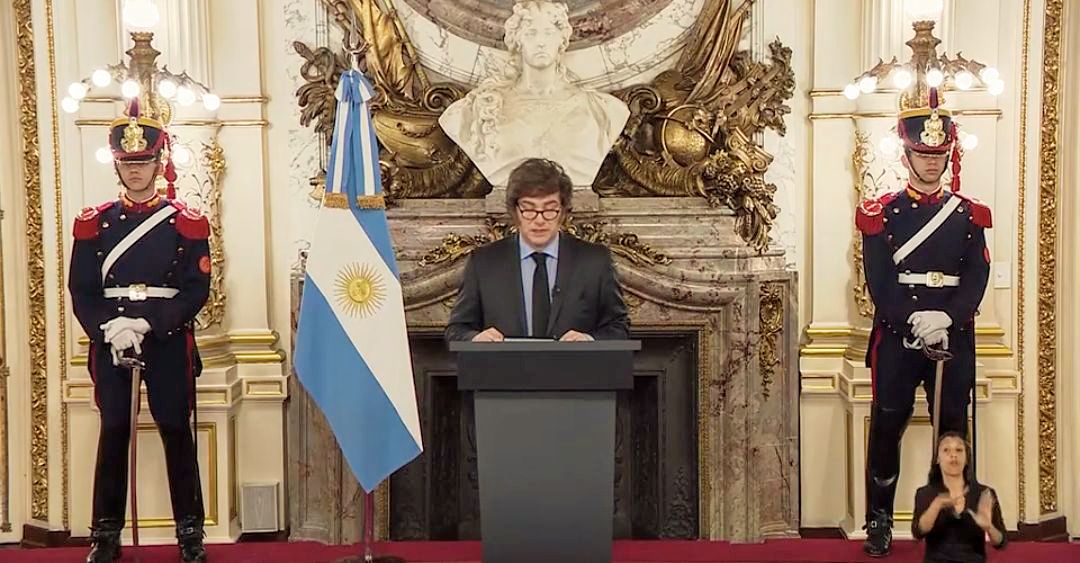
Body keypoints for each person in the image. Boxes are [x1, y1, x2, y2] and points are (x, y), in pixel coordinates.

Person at [69, 98, 211, 563]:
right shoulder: (94, 224)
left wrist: (148, 321)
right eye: (127, 162)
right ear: (117, 164)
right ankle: (104, 534)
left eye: (144, 161)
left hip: (165, 339)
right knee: (114, 430)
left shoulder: (185, 223)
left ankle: (190, 533)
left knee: (175, 428)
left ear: (158, 161)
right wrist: (110, 329)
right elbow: (81, 290)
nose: (135, 170)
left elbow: (196, 290)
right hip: (114, 339)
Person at [855, 88, 992, 557]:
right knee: (887, 428)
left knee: (952, 433)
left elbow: (976, 275)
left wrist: (947, 317)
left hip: (952, 336)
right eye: (923, 154)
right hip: (899, 337)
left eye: (938, 155)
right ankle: (879, 521)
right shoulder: (881, 213)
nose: (931, 163)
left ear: (948, 156)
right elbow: (879, 280)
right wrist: (915, 318)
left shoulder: (968, 214)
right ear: (906, 155)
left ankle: (952, 522)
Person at [438, 1, 629, 187]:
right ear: (517, 41)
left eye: (548, 33)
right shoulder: (478, 109)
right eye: (531, 33)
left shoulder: (603, 110)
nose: (541, 42)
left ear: (562, 40)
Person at [445, 158, 629, 342]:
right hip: (505, 362)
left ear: (563, 211)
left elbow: (619, 327)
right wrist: (475, 338)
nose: (539, 220)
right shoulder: (484, 262)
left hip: (575, 361)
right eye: (529, 210)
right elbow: (456, 330)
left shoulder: (595, 261)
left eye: (550, 210)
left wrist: (588, 340)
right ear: (515, 211)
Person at [913, 432, 1006, 562]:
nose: (953, 455)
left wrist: (989, 527)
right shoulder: (925, 493)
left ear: (967, 458)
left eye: (959, 450)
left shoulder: (984, 493)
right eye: (946, 450)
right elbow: (918, 533)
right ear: (937, 459)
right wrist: (936, 506)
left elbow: (1001, 542)